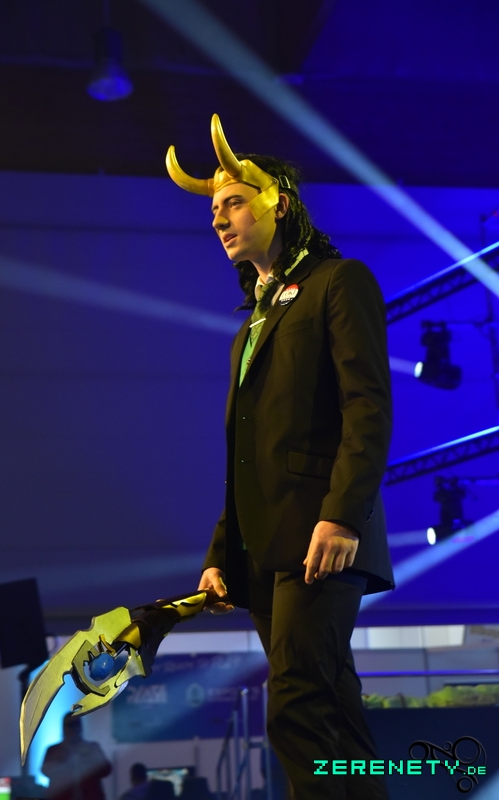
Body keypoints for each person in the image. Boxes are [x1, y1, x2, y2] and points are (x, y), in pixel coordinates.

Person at [166, 115, 394, 800]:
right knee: (333, 712)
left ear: (281, 205)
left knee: (294, 704)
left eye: (234, 202)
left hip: (322, 539)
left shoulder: (338, 282)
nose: (219, 218)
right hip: (262, 552)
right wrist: (220, 553)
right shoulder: (249, 329)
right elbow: (247, 458)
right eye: (214, 209)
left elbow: (367, 408)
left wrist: (343, 516)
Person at [41, 712, 111, 800]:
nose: (73, 729)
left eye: (76, 724)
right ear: (64, 727)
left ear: (80, 727)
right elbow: (45, 771)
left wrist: (90, 756)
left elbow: (106, 769)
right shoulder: (54, 750)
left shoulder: (92, 748)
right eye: (70, 725)